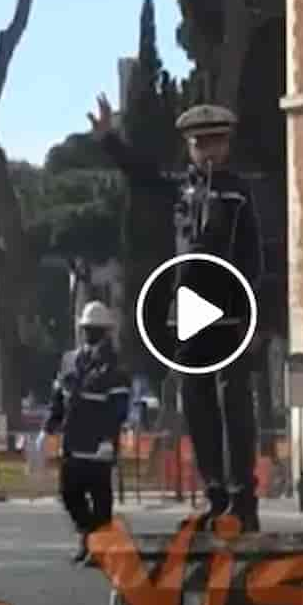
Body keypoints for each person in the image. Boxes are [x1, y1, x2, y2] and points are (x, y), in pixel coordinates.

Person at [89, 95, 265, 533]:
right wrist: (110, 138)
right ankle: (216, 496)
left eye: (215, 143)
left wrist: (249, 310)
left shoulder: (238, 193)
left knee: (233, 402)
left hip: (228, 308)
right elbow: (142, 176)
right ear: (189, 147)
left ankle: (244, 501)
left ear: (226, 146)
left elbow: (254, 257)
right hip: (189, 310)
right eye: (200, 144)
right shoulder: (181, 191)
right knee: (196, 402)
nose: (208, 151)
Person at [43, 300, 131, 565]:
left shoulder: (115, 366)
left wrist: (108, 439)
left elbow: (118, 408)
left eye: (96, 328)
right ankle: (89, 536)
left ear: (106, 332)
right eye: (87, 328)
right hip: (73, 441)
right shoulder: (70, 360)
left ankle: (99, 547)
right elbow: (59, 396)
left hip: (98, 445)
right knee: (69, 494)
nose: (90, 332)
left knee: (100, 497)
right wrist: (49, 425)